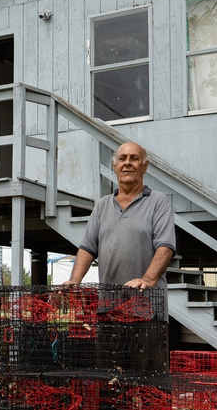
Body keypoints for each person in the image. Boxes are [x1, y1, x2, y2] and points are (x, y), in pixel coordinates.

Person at [64, 141, 177, 371]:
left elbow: (165, 246)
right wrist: (75, 280)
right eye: (122, 159)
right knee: (111, 387)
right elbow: (87, 247)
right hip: (109, 312)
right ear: (114, 166)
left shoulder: (158, 202)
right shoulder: (102, 205)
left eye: (134, 158)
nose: (127, 163)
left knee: (148, 388)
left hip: (147, 313)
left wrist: (147, 279)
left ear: (145, 166)